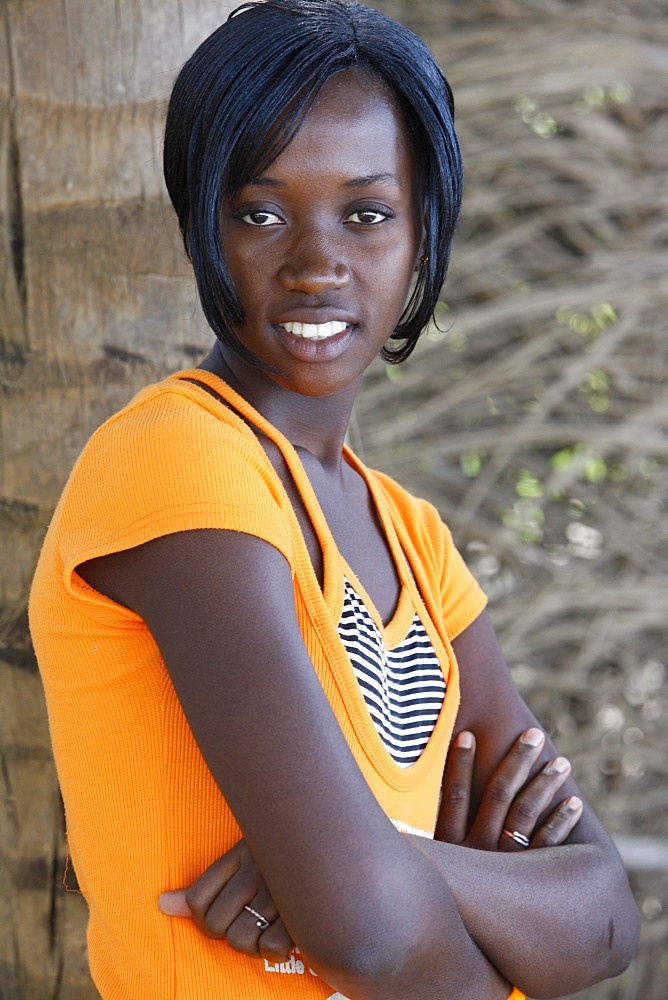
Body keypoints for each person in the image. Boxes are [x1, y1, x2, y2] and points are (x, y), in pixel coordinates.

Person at [29, 2, 639, 998]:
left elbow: (603, 918)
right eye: (260, 212)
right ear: (199, 224)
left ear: (422, 226)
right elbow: (361, 931)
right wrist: (392, 882)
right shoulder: (176, 465)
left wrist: (386, 856)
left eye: (366, 213)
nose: (316, 265)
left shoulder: (409, 533)